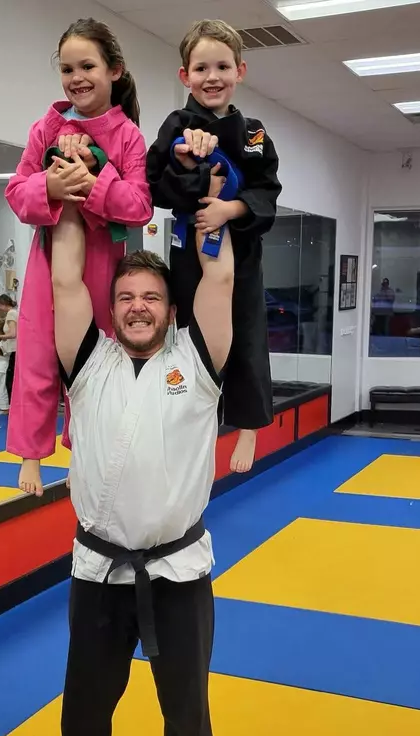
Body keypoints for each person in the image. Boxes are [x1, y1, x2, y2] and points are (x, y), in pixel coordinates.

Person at [28, 162, 232, 736]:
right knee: (85, 705)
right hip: (99, 569)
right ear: (111, 308)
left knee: (186, 707)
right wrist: (66, 196)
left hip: (177, 569)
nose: (138, 307)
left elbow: (219, 281)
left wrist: (215, 209)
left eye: (151, 297)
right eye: (125, 297)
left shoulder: (198, 364)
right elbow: (64, 282)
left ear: (170, 310)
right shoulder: (90, 363)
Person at [5, 17, 152, 497]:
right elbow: (16, 192)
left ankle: (83, 448)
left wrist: (94, 180)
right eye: (67, 69)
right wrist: (48, 184)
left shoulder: (127, 135)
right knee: (37, 350)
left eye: (87, 66)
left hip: (102, 263)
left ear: (114, 70)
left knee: (94, 358)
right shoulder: (45, 128)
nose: (77, 78)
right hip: (48, 261)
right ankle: (30, 453)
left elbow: (140, 206)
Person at [146, 19, 281, 474]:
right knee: (189, 332)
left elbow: (267, 192)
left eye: (223, 66)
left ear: (240, 71)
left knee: (245, 329)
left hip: (240, 251)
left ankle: (249, 424)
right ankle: (191, 417)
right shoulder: (176, 125)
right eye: (201, 68)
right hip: (191, 248)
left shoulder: (254, 133)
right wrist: (187, 165)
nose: (212, 77)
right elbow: (155, 187)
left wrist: (229, 210)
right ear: (185, 76)